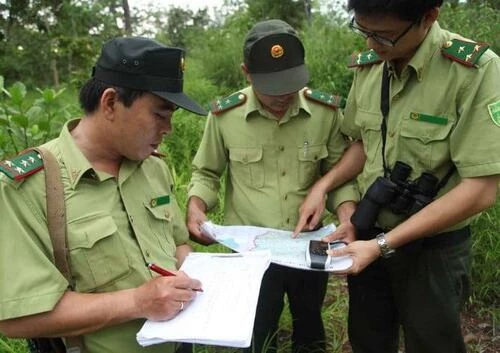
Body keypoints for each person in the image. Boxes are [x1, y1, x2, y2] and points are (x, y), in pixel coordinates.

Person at [296, 1, 500, 353]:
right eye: (364, 31)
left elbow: (480, 190)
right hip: (368, 232)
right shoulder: (372, 66)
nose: (373, 44)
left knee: (433, 342)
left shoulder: (473, 71)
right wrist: (323, 186)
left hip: (432, 251)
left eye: (385, 36)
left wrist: (382, 246)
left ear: (429, 16)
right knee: (368, 337)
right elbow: (362, 141)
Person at [0, 37, 206, 353]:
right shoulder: (30, 186)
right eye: (159, 115)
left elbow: (176, 243)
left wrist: (210, 279)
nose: (168, 129)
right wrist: (138, 302)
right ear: (110, 103)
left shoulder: (152, 168)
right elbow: (15, 316)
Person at [186, 19, 362, 353]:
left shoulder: (325, 113)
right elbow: (206, 173)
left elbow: (340, 175)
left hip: (309, 247)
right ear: (246, 73)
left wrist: (346, 215)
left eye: (290, 84)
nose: (282, 96)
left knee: (309, 325)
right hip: (251, 253)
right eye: (272, 87)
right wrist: (196, 207)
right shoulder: (225, 117)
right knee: (257, 329)